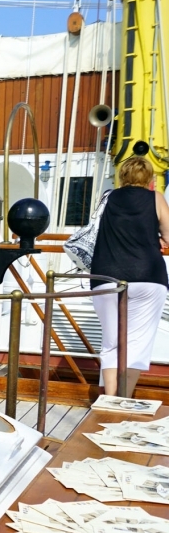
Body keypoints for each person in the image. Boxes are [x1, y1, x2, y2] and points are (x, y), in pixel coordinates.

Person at [90, 154, 169, 397]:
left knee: (112, 342)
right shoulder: (155, 199)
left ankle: (109, 399)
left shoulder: (107, 198)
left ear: (122, 176)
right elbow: (168, 235)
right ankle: (123, 399)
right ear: (149, 178)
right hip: (148, 275)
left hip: (106, 277)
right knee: (137, 344)